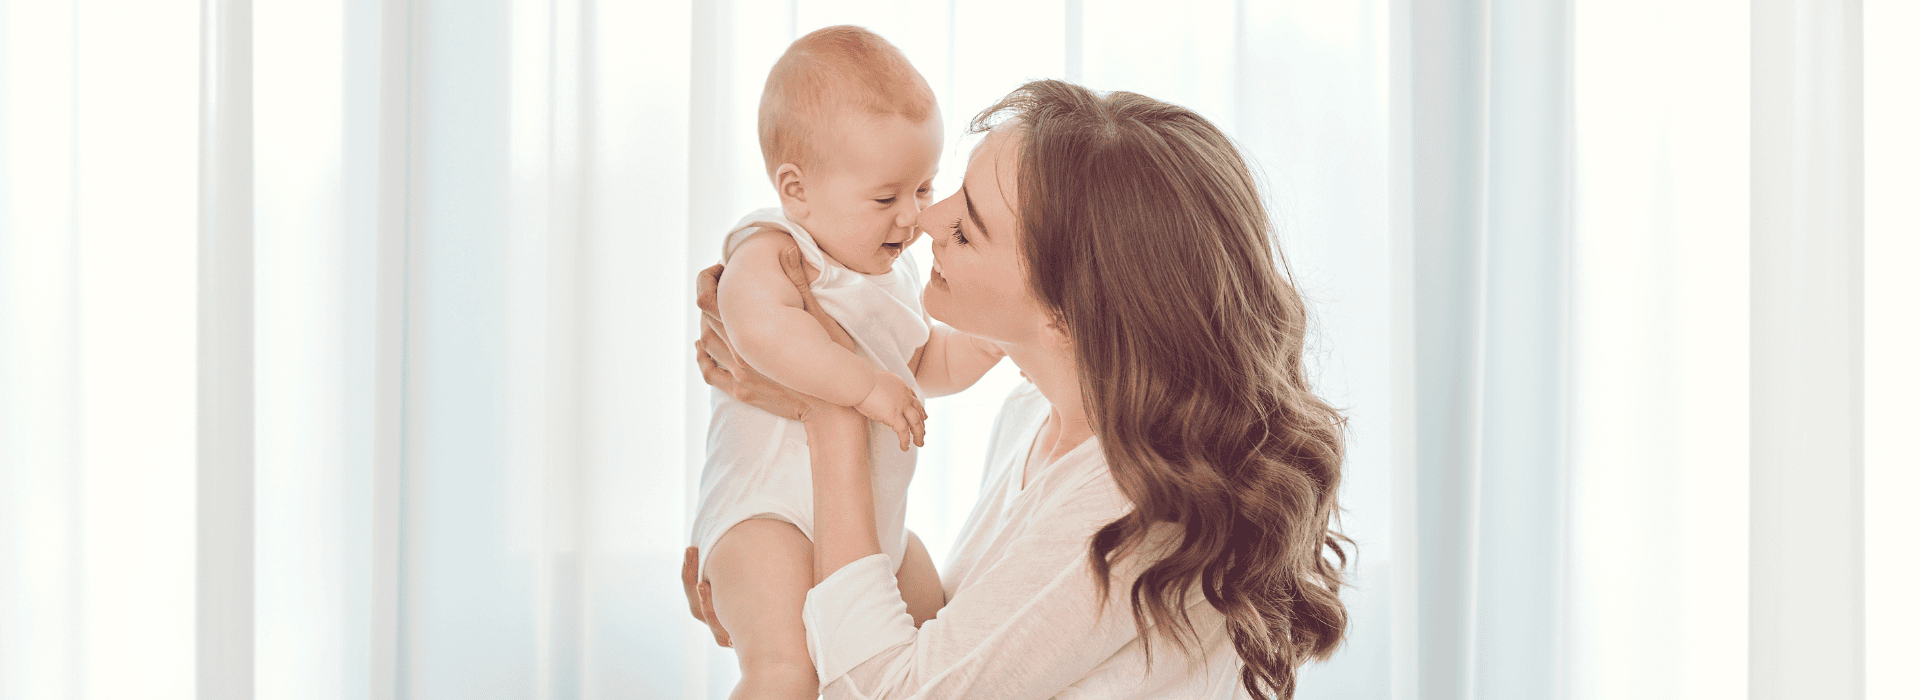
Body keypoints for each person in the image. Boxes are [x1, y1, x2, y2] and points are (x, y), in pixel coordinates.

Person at [689, 80, 1350, 700]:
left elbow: (891, 689)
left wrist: (830, 410)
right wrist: (785, 576)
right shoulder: (1035, 414)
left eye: (967, 226)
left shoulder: (1132, 505)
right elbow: (964, 654)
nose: (924, 221)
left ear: (1062, 315)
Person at [690, 25, 1007, 700]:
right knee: (786, 670)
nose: (913, 218)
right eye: (887, 197)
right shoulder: (776, 246)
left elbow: (923, 361)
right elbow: (757, 329)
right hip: (767, 513)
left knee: (933, 633)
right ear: (797, 190)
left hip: (869, 520)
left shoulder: (886, 271)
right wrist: (864, 385)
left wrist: (987, 342)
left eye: (924, 189)